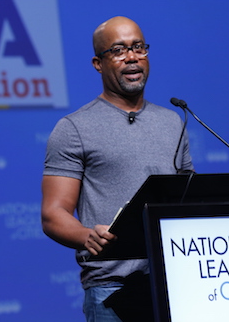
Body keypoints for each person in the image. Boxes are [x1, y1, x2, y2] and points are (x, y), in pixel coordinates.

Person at [41, 16, 193, 322]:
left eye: (139, 47)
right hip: (112, 289)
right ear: (98, 63)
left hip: (176, 284)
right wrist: (86, 236)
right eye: (119, 50)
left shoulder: (173, 121)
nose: (132, 57)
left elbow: (188, 199)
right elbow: (53, 214)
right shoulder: (74, 128)